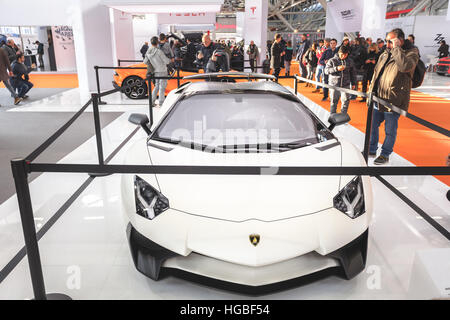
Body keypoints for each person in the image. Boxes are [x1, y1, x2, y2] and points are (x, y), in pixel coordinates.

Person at [368, 28, 419, 165]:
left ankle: (385, 154)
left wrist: (396, 49)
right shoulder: (385, 53)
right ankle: (371, 149)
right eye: (386, 41)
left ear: (400, 41)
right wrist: (370, 94)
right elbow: (376, 74)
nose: (387, 44)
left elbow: (404, 67)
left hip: (394, 100)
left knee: (390, 130)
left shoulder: (412, 53)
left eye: (390, 41)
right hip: (378, 98)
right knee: (372, 126)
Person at [324, 45, 356, 114]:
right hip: (334, 85)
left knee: (346, 101)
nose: (343, 56)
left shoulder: (350, 61)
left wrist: (353, 83)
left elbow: (353, 73)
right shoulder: (332, 60)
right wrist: (336, 68)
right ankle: (332, 115)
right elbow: (326, 71)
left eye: (345, 55)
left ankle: (343, 115)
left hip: (346, 84)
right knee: (333, 101)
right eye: (342, 54)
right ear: (339, 53)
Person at [144, 36, 171, 107]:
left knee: (156, 86)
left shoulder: (148, 51)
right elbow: (166, 61)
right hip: (162, 70)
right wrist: (170, 60)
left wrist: (153, 64)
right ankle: (161, 103)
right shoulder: (159, 52)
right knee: (162, 87)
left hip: (155, 71)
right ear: (157, 42)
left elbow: (145, 61)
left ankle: (152, 102)